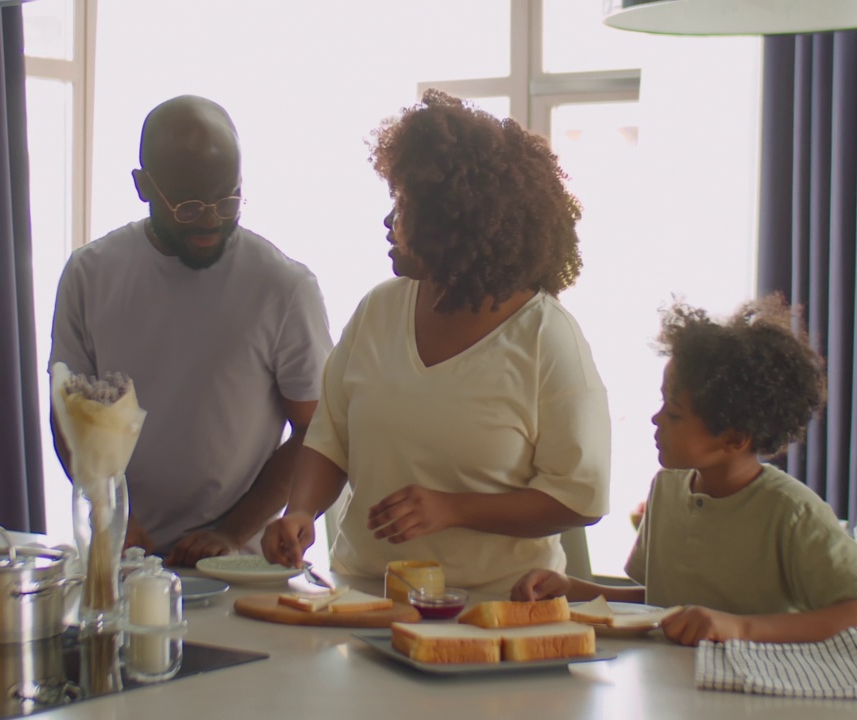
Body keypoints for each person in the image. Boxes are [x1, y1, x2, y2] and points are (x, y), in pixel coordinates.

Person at [261, 90, 611, 594]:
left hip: (496, 610)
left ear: (454, 224)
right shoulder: (378, 310)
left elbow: (581, 496)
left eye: (403, 207)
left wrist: (454, 509)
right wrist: (301, 511)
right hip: (367, 597)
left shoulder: (547, 337)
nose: (388, 222)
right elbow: (329, 438)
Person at [510, 295, 857, 649]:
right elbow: (665, 603)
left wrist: (741, 629)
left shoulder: (790, 511)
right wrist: (573, 590)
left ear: (734, 438)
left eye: (675, 413)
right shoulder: (667, 488)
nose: (656, 418)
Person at [49, 95, 332, 567]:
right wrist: (111, 513)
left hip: (237, 565)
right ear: (143, 186)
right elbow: (68, 413)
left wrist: (231, 531)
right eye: (187, 206)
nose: (209, 220)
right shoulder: (89, 274)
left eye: (227, 201)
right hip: (124, 559)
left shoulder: (282, 287)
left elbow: (317, 430)